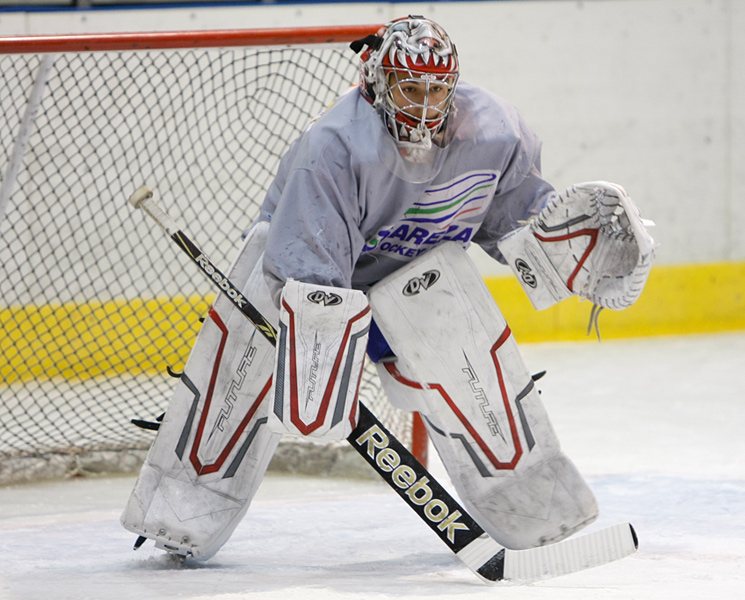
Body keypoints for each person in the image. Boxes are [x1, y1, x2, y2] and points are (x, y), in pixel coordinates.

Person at [121, 15, 654, 561]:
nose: (424, 104)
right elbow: (308, 260)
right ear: (378, 81)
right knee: (248, 358)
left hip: (415, 282)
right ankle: (181, 505)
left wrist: (558, 248)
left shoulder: (496, 132)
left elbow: (515, 221)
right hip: (301, 284)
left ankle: (528, 503)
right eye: (410, 87)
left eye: (437, 89)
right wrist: (322, 346)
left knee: (463, 347)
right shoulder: (336, 144)